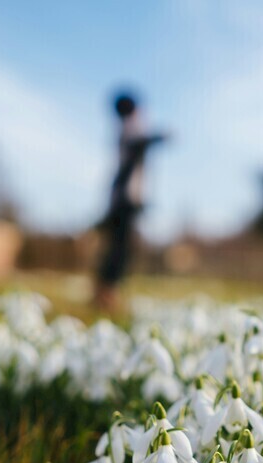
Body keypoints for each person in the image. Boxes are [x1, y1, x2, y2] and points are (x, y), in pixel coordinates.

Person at [95, 90, 169, 312]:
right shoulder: (131, 128)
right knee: (121, 248)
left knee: (119, 246)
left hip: (123, 197)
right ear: (133, 109)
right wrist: (159, 137)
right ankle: (107, 292)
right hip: (125, 198)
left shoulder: (124, 129)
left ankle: (105, 290)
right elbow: (139, 146)